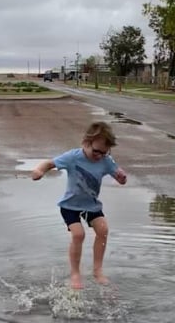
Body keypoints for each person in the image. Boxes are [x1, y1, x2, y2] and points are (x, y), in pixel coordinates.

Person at [31, 121, 127, 289]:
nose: (99, 156)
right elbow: (49, 163)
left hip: (91, 205)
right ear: (86, 143)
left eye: (104, 153)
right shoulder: (73, 157)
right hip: (70, 206)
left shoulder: (106, 160)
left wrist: (122, 178)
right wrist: (39, 170)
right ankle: (75, 273)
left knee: (103, 230)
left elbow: (119, 176)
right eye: (96, 151)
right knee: (78, 235)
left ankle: (97, 270)